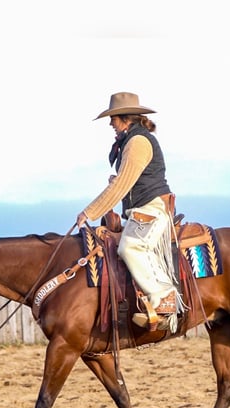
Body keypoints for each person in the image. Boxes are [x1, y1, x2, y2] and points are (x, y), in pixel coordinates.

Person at [76, 92, 182, 332]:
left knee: (131, 247)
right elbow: (127, 181)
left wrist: (89, 212)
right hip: (141, 209)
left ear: (124, 118)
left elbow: (122, 184)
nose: (110, 124)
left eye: (113, 118)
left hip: (151, 208)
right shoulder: (131, 141)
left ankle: (165, 298)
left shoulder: (137, 143)